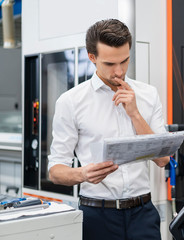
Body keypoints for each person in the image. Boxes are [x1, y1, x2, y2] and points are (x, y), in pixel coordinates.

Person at [48, 19, 169, 240]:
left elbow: (163, 160)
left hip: (143, 214)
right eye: (110, 64)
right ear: (92, 57)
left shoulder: (148, 94)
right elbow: (55, 170)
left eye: (125, 61)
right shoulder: (71, 101)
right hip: (96, 215)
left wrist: (134, 113)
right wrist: (82, 174)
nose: (119, 71)